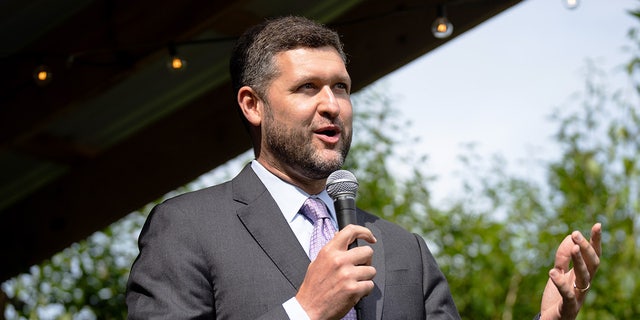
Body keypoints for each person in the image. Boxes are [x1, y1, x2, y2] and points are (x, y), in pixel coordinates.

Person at [126, 16, 602, 320]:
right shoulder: (189, 226)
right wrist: (305, 313)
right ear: (253, 105)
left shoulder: (403, 250)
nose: (332, 105)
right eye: (307, 88)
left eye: (342, 88)